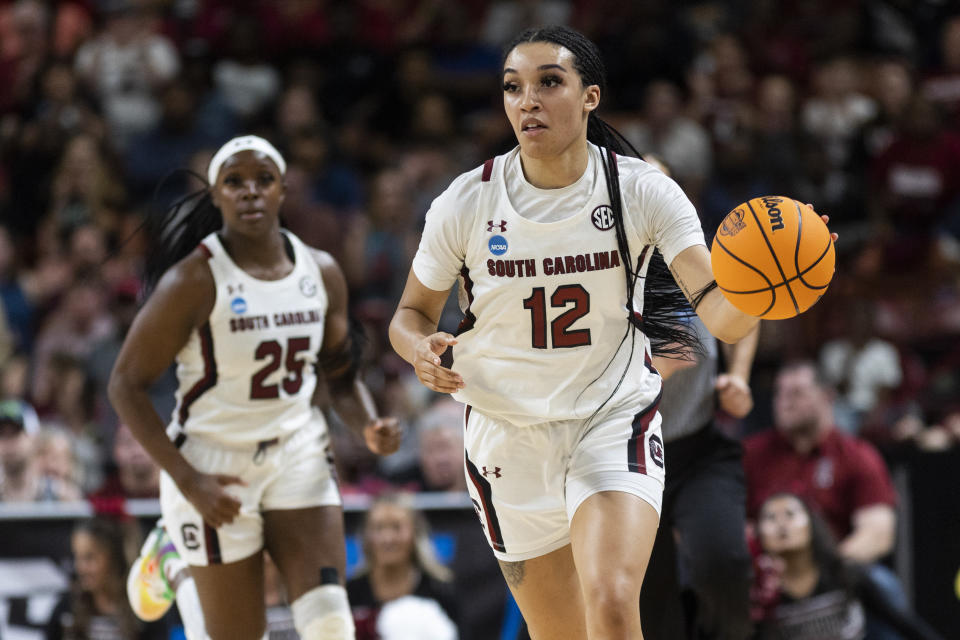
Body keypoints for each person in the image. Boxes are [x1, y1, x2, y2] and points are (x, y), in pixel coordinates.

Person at [388, 25, 833, 639]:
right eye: (513, 87)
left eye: (550, 82)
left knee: (615, 598)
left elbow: (721, 315)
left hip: (610, 417)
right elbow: (409, 315)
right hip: (504, 435)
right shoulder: (465, 202)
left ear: (590, 97)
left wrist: (771, 284)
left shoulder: (643, 189)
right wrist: (419, 349)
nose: (529, 100)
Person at [108, 135, 402, 640]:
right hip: (213, 464)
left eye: (263, 180)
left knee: (333, 627)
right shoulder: (193, 280)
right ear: (218, 195)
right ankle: (175, 561)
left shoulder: (321, 271)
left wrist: (369, 425)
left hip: (296, 450)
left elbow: (339, 374)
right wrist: (187, 480)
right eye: (234, 182)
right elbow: (124, 386)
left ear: (283, 190)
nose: (250, 192)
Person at [640, 318, 758, 640]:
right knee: (648, 605)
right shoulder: (609, 279)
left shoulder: (696, 268)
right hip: (626, 458)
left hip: (699, 447)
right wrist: (652, 369)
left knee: (723, 564)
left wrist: (739, 376)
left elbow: (744, 306)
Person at [753, 492, 944, 640]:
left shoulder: (845, 575)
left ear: (811, 525)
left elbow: (904, 625)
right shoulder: (758, 593)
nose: (781, 524)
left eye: (790, 514)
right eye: (771, 518)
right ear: (758, 534)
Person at [347, 493, 458, 640]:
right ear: (366, 536)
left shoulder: (440, 590)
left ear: (415, 533)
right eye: (378, 528)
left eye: (396, 527)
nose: (387, 538)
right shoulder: (350, 593)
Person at [45, 517, 168, 640]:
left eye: (89, 558)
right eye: (77, 557)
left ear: (113, 558)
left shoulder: (143, 609)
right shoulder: (67, 608)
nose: (80, 568)